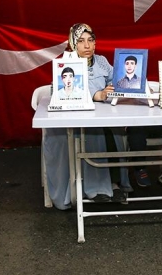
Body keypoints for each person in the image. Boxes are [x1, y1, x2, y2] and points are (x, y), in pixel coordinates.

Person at [43, 23, 131, 209]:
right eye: (81, 41)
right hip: (73, 118)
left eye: (91, 40)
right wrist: (96, 94)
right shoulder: (66, 63)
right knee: (92, 134)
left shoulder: (101, 61)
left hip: (101, 115)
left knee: (113, 133)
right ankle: (91, 188)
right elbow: (58, 91)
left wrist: (119, 86)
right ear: (73, 43)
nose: (87, 46)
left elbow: (114, 80)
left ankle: (113, 184)